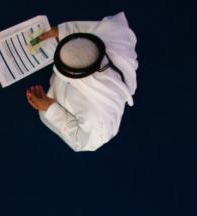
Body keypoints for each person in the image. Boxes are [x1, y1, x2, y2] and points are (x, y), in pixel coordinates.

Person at [25, 12, 139, 152]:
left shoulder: (99, 118)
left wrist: (50, 108)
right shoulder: (112, 37)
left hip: (60, 106)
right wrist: (61, 32)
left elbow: (82, 142)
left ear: (77, 79)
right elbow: (104, 30)